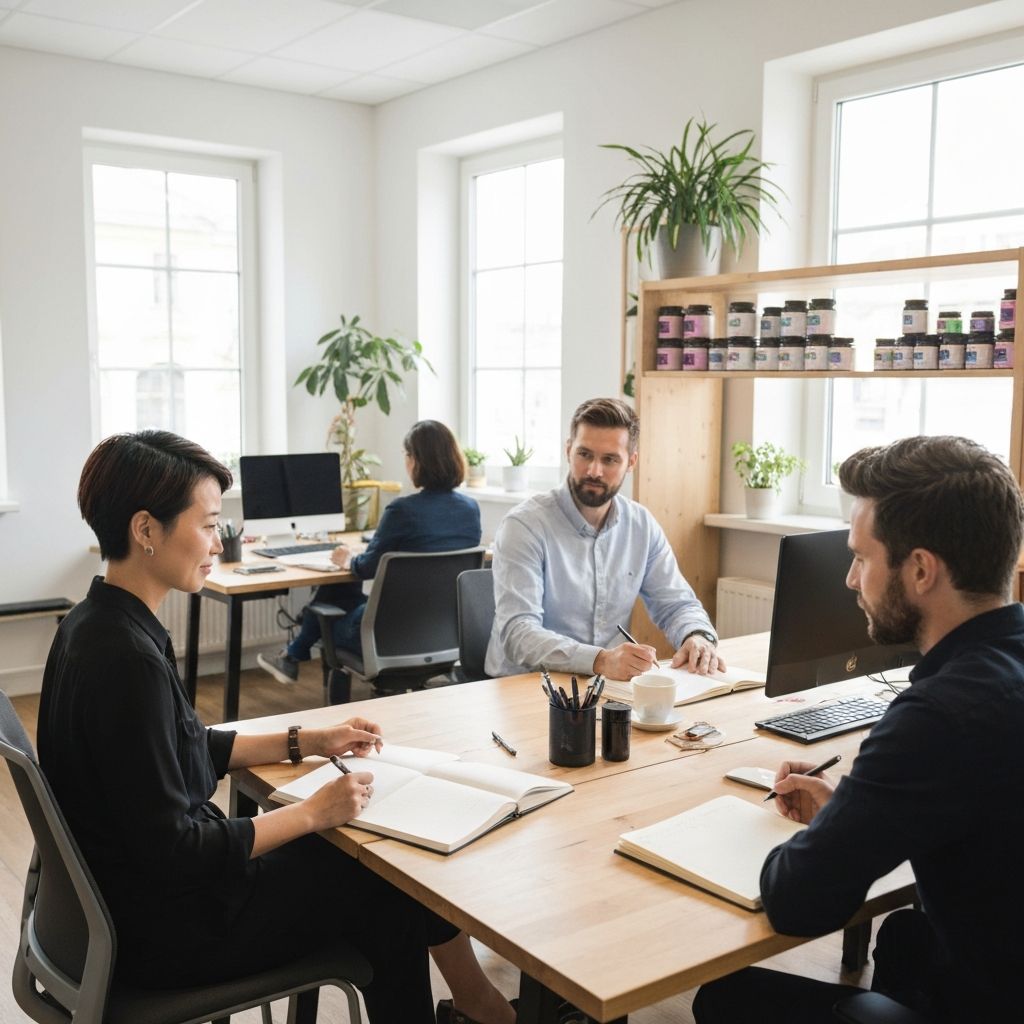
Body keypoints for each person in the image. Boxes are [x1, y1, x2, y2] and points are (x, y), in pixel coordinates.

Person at [38, 430, 514, 1024]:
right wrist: (313, 812)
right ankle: (481, 1007)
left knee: (370, 864)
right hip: (168, 933)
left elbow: (184, 745)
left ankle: (476, 1006)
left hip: (123, 908)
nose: (220, 542)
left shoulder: (94, 624)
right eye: (209, 524)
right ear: (145, 530)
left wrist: (307, 741)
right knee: (387, 883)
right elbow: (177, 852)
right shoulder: (127, 661)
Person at [693, 435, 1024, 1023]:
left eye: (862, 558)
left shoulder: (934, 718)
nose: (850, 579)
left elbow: (797, 902)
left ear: (920, 570)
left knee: (723, 997)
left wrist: (831, 832)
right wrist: (858, 812)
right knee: (904, 937)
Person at [485, 397, 721, 680]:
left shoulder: (641, 525)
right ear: (568, 450)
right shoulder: (524, 525)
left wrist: (697, 635)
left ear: (631, 462)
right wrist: (600, 660)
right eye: (584, 454)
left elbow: (677, 604)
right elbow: (518, 633)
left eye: (609, 459)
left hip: (602, 685)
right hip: (526, 684)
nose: (594, 471)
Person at [258, 419, 481, 684]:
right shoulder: (470, 509)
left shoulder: (402, 511)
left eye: (406, 455)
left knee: (324, 607)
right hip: (442, 635)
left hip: (384, 636)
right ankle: (293, 654)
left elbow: (366, 568)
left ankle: (294, 654)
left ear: (416, 461)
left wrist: (348, 559)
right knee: (339, 592)